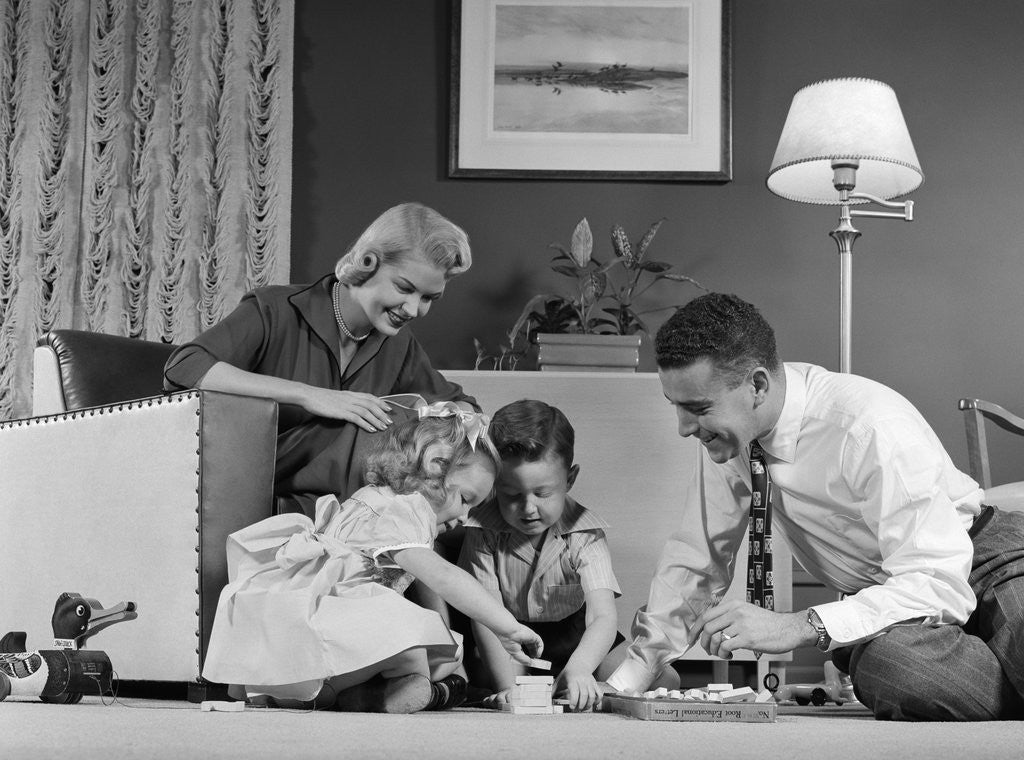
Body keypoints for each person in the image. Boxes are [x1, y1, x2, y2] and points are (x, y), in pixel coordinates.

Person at [607, 292, 1024, 721]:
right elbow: (697, 558)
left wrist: (795, 625)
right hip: (893, 609)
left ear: (757, 386)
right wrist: (630, 678)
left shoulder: (868, 425)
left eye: (697, 408)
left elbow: (936, 579)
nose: (683, 428)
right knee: (890, 669)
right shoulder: (729, 440)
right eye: (676, 407)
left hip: (986, 563)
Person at [201, 405, 544, 713]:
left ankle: (359, 693)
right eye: (466, 500)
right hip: (325, 625)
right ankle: (365, 693)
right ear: (435, 466)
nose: (464, 517)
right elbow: (443, 576)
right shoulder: (403, 510)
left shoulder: (377, 498)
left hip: (314, 633)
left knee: (446, 652)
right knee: (411, 645)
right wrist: (506, 626)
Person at [163, 202, 478, 517]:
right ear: (368, 262)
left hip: (341, 511)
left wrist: (442, 433)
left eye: (428, 298)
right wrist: (310, 395)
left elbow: (464, 407)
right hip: (246, 490)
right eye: (404, 288)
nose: (412, 309)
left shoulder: (399, 345)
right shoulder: (276, 309)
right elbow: (184, 367)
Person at [458, 399, 633, 712]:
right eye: (511, 495)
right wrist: (508, 686)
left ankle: (575, 681)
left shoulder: (586, 533)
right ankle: (539, 684)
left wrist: (580, 668)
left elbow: (602, 616)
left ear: (570, 480)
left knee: (653, 676)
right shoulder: (482, 530)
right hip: (509, 635)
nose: (528, 508)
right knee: (484, 680)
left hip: (575, 635)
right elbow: (486, 617)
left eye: (542, 493)